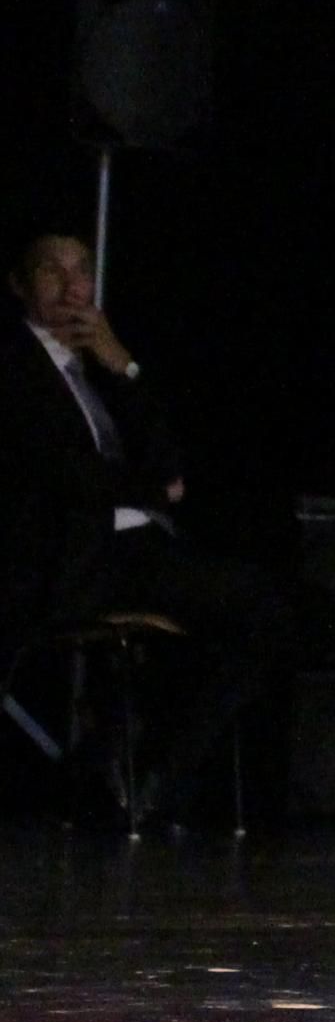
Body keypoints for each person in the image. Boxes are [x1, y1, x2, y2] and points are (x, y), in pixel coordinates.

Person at [0, 232, 303, 826]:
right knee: (261, 608)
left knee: (271, 612)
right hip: (76, 552)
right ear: (19, 283)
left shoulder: (98, 363)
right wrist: (152, 489)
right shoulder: (14, 363)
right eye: (51, 272)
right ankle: (152, 773)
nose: (70, 287)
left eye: (81, 272)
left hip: (138, 543)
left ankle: (142, 765)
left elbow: (169, 461)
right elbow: (64, 473)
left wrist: (125, 367)